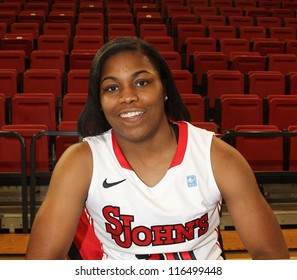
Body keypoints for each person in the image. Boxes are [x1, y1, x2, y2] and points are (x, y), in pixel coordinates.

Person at [26, 37, 289, 260]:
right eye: (112, 87)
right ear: (100, 100)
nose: (127, 96)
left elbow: (270, 254)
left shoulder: (216, 156)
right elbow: (41, 262)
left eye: (142, 82)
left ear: (164, 88)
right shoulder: (81, 162)